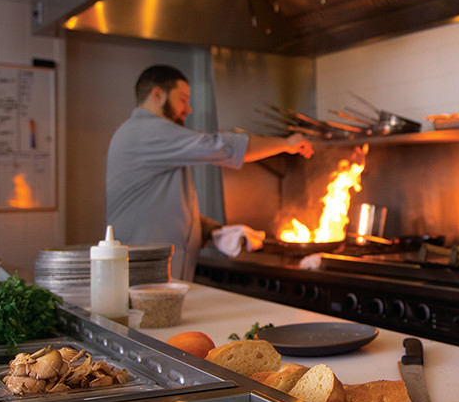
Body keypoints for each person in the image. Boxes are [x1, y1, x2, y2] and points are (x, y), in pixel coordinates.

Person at [105, 65, 313, 281]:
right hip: (144, 280)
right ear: (157, 94)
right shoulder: (145, 131)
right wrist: (287, 143)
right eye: (183, 100)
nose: (188, 109)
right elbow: (219, 147)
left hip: (156, 279)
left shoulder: (147, 136)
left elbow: (160, 207)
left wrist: (214, 230)